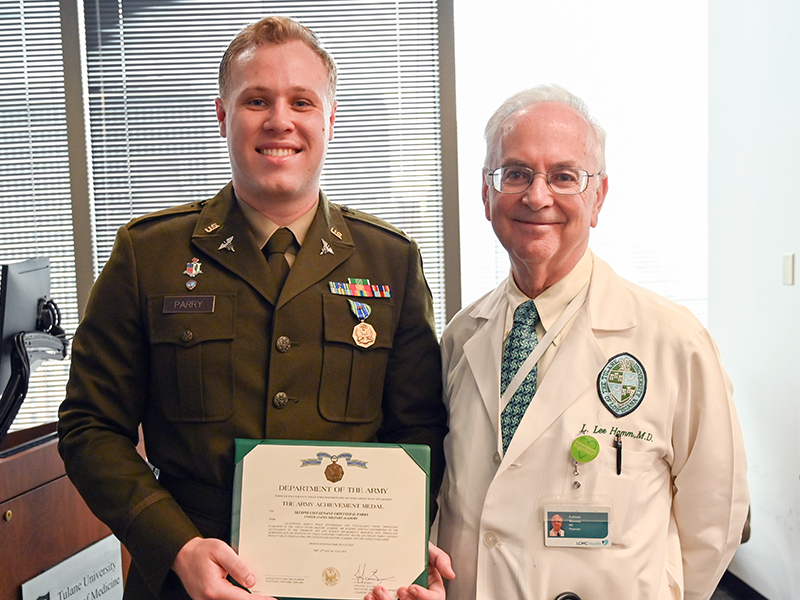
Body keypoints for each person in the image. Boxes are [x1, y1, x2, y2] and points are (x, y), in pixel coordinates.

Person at [57, 16, 447, 600]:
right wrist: (178, 548)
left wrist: (399, 549)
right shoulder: (150, 254)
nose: (280, 121)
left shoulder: (390, 262)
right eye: (256, 100)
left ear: (330, 121)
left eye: (302, 102)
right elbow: (91, 426)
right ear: (222, 116)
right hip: (183, 582)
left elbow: (420, 431)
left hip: (348, 587)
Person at [433, 85, 749, 600]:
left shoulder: (672, 341)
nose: (537, 197)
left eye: (563, 177)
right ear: (486, 195)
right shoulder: (462, 337)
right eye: (515, 173)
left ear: (598, 196)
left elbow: (715, 517)